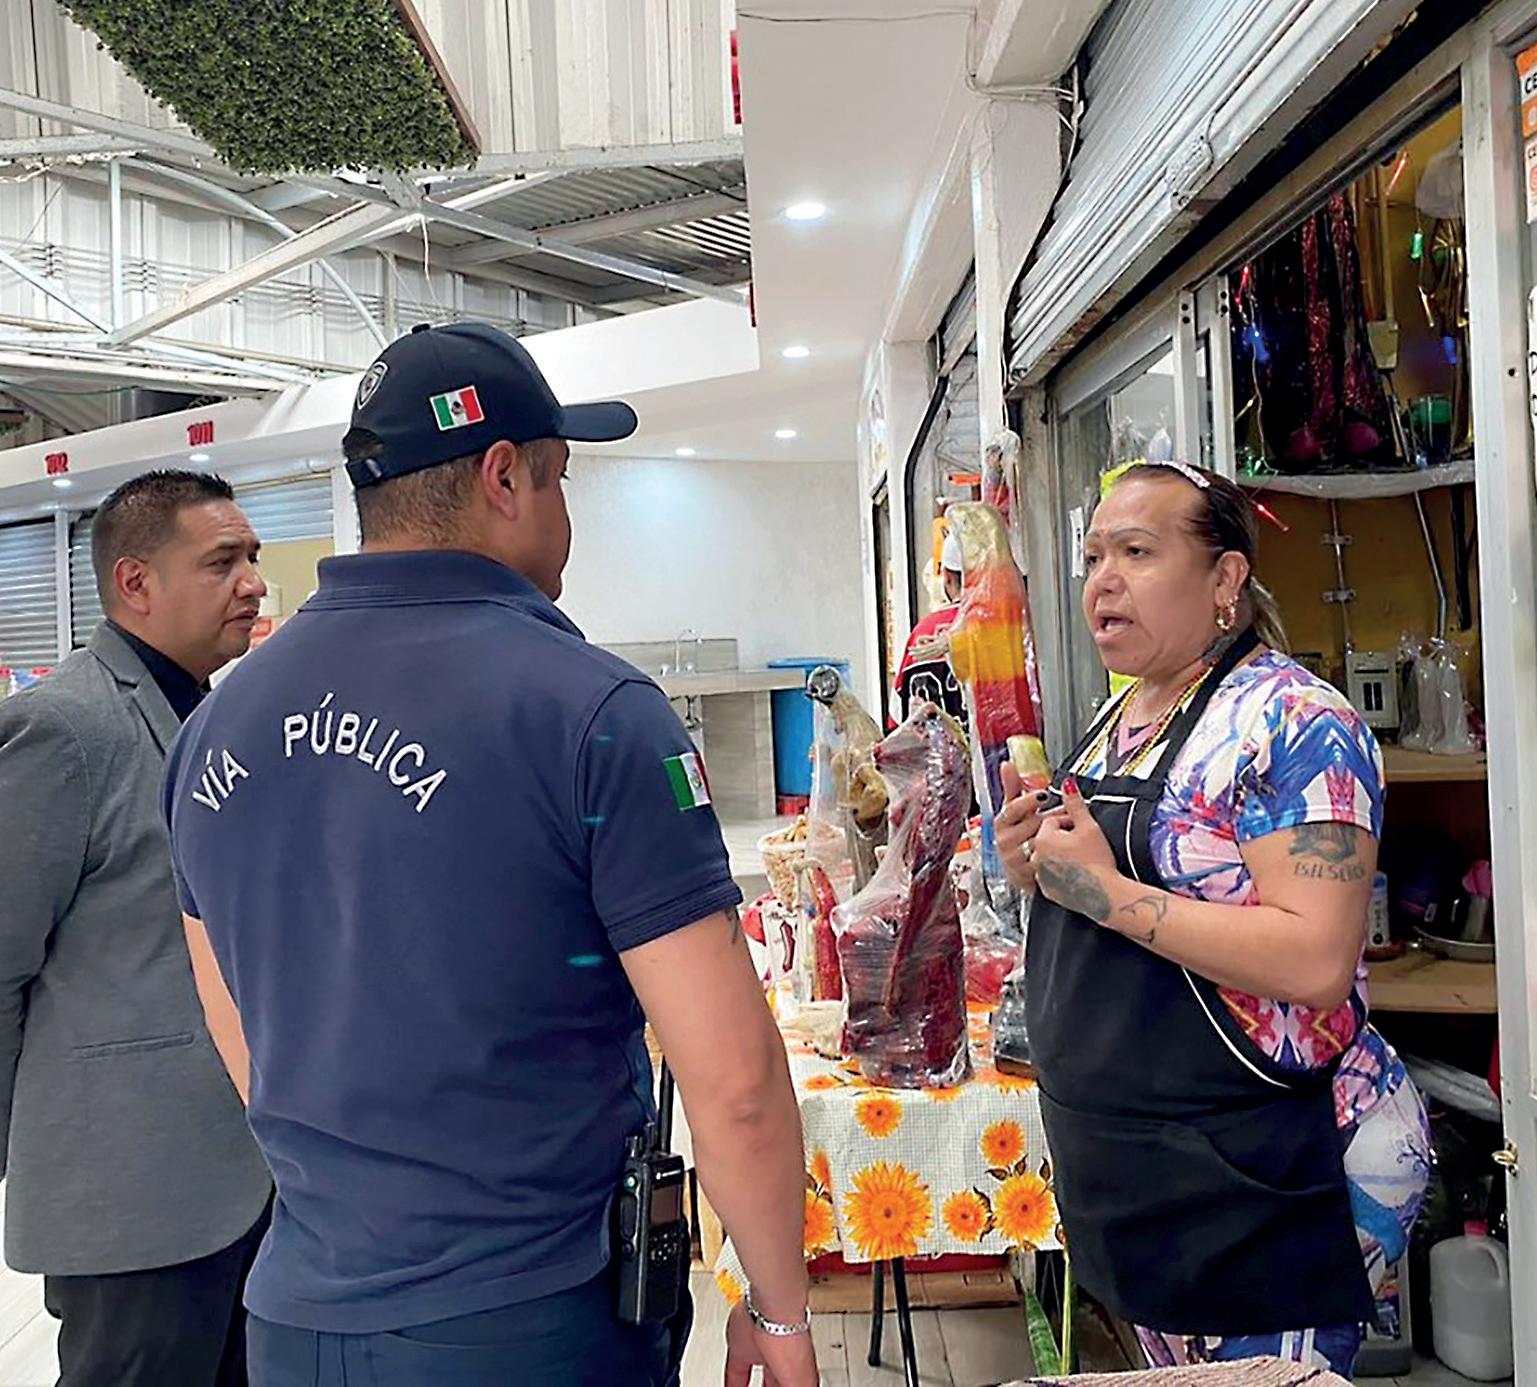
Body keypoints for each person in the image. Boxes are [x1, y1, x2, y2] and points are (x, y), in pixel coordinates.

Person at [162, 322, 819, 1387]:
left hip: (297, 1318)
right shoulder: (593, 713)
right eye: (561, 480)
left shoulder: (213, 731)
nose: (566, 517)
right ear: (504, 476)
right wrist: (779, 1312)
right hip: (526, 1318)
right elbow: (732, 1078)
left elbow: (238, 1026)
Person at [996, 460, 1430, 1379]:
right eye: (1092, 556)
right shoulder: (1126, 713)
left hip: (1272, 1171)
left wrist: (1107, 893)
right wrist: (1036, 867)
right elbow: (1108, 892)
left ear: (1225, 577)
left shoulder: (1295, 721)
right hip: (1151, 1177)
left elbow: (1315, 958)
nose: (1102, 581)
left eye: (1136, 552)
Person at [0, 470, 274, 1386]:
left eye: (252, 557)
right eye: (223, 562)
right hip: (133, 1196)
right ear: (136, 582)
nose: (253, 582)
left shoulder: (215, 715)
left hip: (251, 1179)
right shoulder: (62, 728)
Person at [894, 527, 967, 725]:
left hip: (936, 744)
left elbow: (897, 720)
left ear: (947, 577)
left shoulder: (922, 633)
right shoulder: (1000, 626)